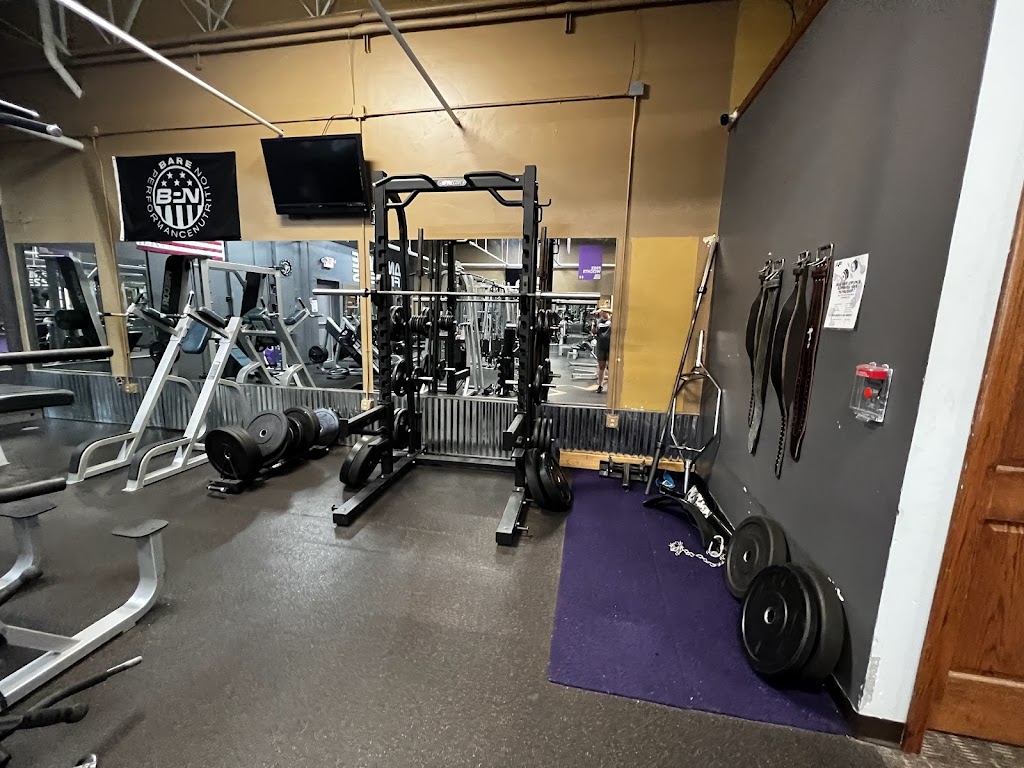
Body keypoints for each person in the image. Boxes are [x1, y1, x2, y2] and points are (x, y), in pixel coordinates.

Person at [591, 302, 612, 394]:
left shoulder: (612, 319)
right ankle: (600, 385)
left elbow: (614, 311)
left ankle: (612, 386)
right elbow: (594, 332)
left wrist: (602, 309)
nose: (602, 313)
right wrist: (594, 323)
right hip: (601, 345)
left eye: (604, 311)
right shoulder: (598, 321)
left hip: (611, 346)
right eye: (602, 311)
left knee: (611, 367)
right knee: (601, 366)